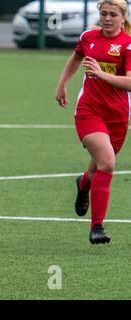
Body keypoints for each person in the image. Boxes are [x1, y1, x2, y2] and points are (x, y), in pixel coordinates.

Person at [55, 0, 131, 244]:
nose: (107, 18)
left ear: (123, 17)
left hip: (117, 115)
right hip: (89, 110)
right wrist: (62, 84)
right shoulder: (88, 36)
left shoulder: (128, 45)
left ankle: (83, 183)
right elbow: (76, 57)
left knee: (97, 168)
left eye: (112, 14)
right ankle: (97, 227)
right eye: (103, 14)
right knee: (107, 163)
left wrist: (101, 74)